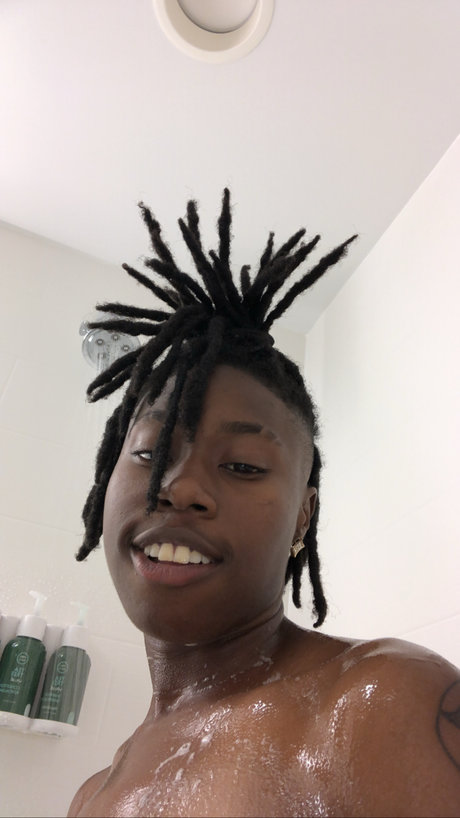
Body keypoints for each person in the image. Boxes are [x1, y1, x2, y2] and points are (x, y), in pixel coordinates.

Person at [68, 190, 460, 817]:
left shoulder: (381, 705)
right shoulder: (92, 794)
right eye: (148, 452)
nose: (180, 487)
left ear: (304, 515)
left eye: (243, 466)